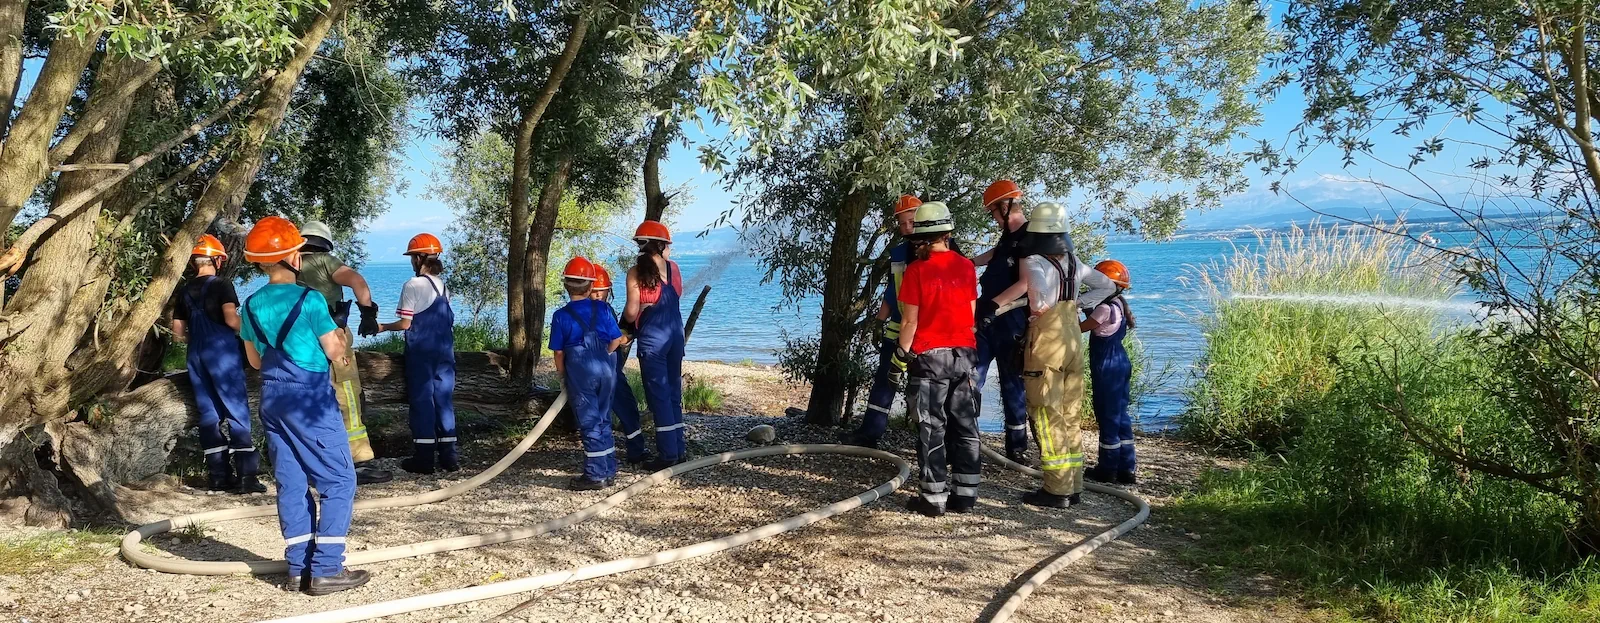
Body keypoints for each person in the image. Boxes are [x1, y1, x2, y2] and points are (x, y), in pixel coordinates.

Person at [237, 216, 369, 595]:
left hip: (273, 400)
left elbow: (256, 361)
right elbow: (332, 349)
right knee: (339, 480)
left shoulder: (251, 304)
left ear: (261, 262)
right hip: (310, 399)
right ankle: (327, 568)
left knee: (291, 482)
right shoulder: (310, 299)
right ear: (294, 256)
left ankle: (298, 568)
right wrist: (340, 339)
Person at [990, 202, 1114, 507]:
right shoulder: (1074, 262)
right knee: (1070, 414)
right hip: (1073, 341)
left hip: (1046, 343)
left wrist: (993, 307)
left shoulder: (1033, 262)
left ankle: (1056, 490)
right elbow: (1108, 285)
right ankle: (1074, 486)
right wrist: (1077, 302)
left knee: (1046, 413)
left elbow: (1039, 300)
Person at [895, 201, 982, 518]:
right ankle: (966, 495)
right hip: (965, 357)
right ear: (947, 232)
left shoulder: (916, 271)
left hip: (930, 360)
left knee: (932, 428)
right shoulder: (967, 267)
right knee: (965, 426)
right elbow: (970, 315)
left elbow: (909, 322)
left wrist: (900, 356)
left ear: (919, 236)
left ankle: (933, 499)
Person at [294, 221, 391, 486]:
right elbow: (357, 282)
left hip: (300, 340)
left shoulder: (289, 264)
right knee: (347, 393)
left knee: (311, 396)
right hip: (331, 334)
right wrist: (368, 313)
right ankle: (358, 462)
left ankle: (313, 462)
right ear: (324, 243)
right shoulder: (325, 262)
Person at [171, 234, 264, 494]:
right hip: (222, 352)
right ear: (217, 260)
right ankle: (247, 476)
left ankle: (218, 477)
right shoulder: (222, 285)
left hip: (196, 355)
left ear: (194, 263)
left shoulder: (184, 291)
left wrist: (197, 338)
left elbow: (178, 333)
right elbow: (232, 320)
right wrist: (253, 333)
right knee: (236, 410)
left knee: (209, 415)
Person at [839, 194, 923, 449]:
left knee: (924, 388)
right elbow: (891, 291)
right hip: (898, 328)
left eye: (911, 222)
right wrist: (878, 321)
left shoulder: (940, 251)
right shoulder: (899, 254)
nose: (906, 228)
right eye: (902, 223)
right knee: (885, 381)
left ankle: (932, 441)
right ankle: (870, 434)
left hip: (925, 334)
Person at [379, 233, 458, 475]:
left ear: (418, 258)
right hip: (445, 352)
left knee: (422, 401)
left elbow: (405, 323)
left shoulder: (412, 285)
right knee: (444, 401)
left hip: (422, 352)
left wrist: (381, 327)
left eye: (413, 257)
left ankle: (424, 459)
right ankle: (449, 458)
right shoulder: (443, 286)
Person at [971, 179, 1033, 463]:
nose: (993, 220)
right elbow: (993, 255)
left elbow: (1025, 283)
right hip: (987, 320)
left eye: (994, 213)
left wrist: (993, 305)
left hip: (1010, 320)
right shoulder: (1007, 237)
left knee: (1012, 384)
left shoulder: (1029, 237)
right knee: (971, 377)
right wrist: (964, 261)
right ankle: (965, 439)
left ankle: (1017, 447)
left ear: (1006, 207)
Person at [552, 257, 628, 489]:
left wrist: (563, 375)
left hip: (580, 370)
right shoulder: (603, 308)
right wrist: (603, 354)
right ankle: (609, 469)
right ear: (590, 286)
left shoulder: (561, 316)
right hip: (606, 369)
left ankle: (595, 476)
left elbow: (558, 353)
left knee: (589, 421)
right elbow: (617, 339)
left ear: (566, 285)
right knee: (604, 418)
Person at [624, 220, 687, 471]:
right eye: (668, 245)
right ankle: (679, 450)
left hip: (653, 338)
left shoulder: (635, 272)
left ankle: (667, 454)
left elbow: (630, 313)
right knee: (673, 393)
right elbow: (677, 296)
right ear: (660, 245)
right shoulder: (674, 269)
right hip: (674, 335)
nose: (670, 250)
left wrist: (637, 314)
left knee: (658, 395)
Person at [1082, 260, 1138, 486]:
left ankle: (1107, 468)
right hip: (1120, 362)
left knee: (1107, 415)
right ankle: (1127, 468)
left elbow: (1080, 327)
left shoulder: (1104, 309)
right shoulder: (1118, 305)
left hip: (1107, 366)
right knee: (1121, 415)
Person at [594, 265, 652, 467]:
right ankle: (634, 451)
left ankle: (599, 457)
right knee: (626, 409)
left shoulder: (573, 312)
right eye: (596, 291)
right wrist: (628, 335)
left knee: (598, 416)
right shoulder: (606, 310)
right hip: (610, 373)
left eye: (599, 291)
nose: (598, 295)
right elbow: (618, 339)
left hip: (589, 374)